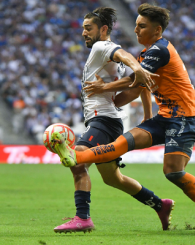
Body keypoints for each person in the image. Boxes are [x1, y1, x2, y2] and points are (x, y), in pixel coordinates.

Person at [52, 3, 195, 235]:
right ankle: (77, 157)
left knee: (172, 171)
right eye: (135, 25)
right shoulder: (146, 52)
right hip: (164, 116)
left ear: (158, 30)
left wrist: (104, 88)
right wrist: (146, 114)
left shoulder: (159, 50)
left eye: (142, 26)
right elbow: (138, 84)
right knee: (119, 147)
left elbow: (138, 78)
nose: (136, 30)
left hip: (185, 117)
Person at [53, 7, 174, 234]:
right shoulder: (110, 61)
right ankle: (160, 205)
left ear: (104, 29)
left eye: (88, 28)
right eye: (83, 29)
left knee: (79, 162)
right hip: (109, 120)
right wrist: (147, 115)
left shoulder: (102, 46)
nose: (84, 33)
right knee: (113, 179)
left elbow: (124, 56)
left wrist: (137, 67)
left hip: (104, 121)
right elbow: (140, 87)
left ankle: (82, 218)